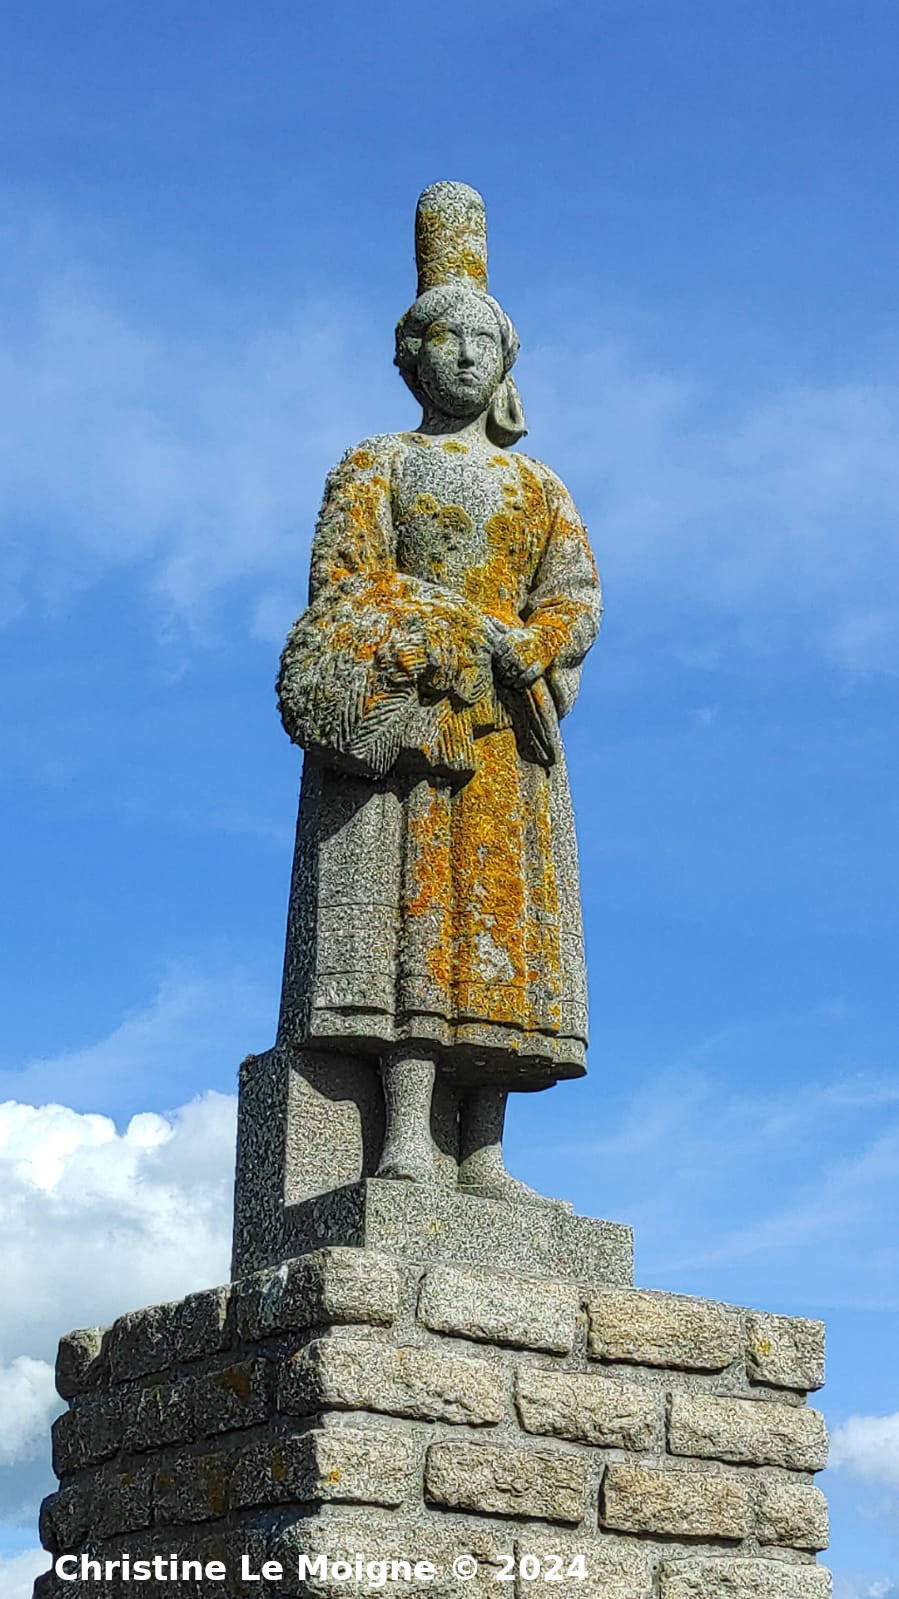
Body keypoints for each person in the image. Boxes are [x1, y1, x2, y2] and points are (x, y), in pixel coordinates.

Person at [276, 183, 601, 1202]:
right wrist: (438, 634)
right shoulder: (376, 464)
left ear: (506, 362)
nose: (465, 356)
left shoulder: (539, 486)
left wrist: (531, 644)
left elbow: (574, 594)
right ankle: (406, 1135)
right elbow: (344, 588)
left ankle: (485, 1150)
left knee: (497, 939)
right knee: (413, 927)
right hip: (418, 725)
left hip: (508, 736)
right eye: (446, 338)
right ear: (411, 356)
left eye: (483, 342)